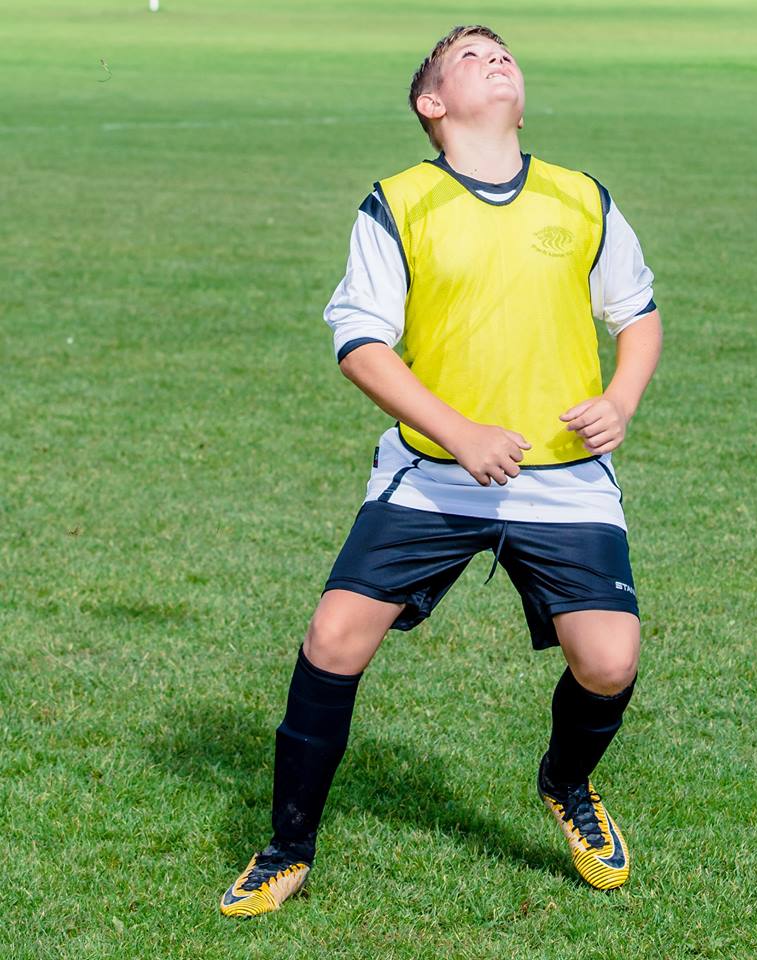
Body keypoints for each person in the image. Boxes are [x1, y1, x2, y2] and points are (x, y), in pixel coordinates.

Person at [220, 24, 662, 918]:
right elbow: (360, 345)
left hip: (563, 477)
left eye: (503, 52)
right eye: (470, 55)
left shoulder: (581, 198)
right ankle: (285, 847)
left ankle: (565, 784)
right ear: (432, 103)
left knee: (609, 664)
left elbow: (637, 315)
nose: (495, 58)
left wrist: (621, 400)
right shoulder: (399, 202)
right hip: (432, 472)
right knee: (334, 639)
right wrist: (457, 433)